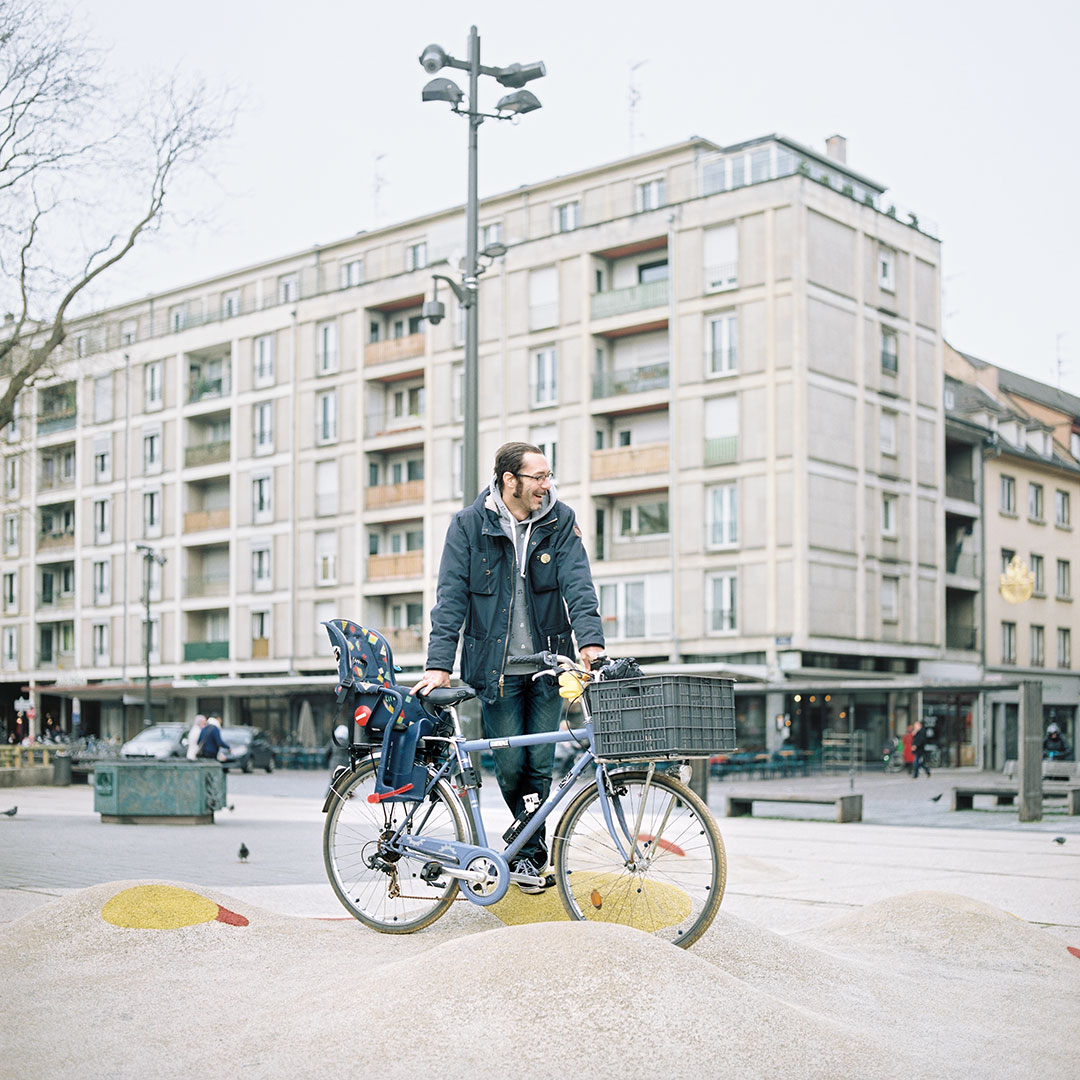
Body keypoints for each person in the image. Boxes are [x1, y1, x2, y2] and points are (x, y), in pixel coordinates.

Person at [411, 442, 605, 893]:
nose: (546, 485)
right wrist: (439, 665)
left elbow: (578, 583)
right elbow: (451, 597)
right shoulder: (468, 525)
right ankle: (529, 850)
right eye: (537, 476)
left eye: (548, 475)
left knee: (540, 764)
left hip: (547, 667)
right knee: (511, 766)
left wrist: (591, 644)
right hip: (494, 671)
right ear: (509, 480)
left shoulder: (560, 520)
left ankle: (528, 856)